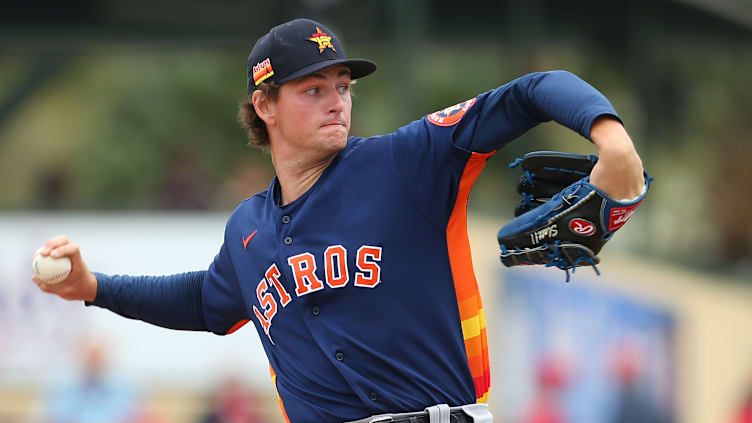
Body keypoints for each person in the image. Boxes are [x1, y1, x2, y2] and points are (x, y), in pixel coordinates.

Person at [31, 18, 646, 423]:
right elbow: (203, 299)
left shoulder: (407, 163)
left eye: (342, 85)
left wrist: (612, 141)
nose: (337, 100)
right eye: (313, 89)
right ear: (264, 105)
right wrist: (93, 289)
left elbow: (532, 90)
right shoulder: (248, 230)